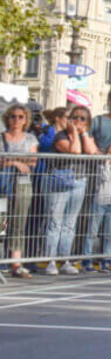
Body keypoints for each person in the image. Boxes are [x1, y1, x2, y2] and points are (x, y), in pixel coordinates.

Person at [43, 105, 99, 275]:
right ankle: (51, 261)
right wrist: (74, 132)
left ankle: (65, 260)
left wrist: (83, 133)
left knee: (70, 224)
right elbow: (74, 151)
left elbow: (91, 151)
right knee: (55, 223)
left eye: (83, 119)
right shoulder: (60, 136)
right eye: (75, 117)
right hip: (60, 181)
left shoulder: (86, 136)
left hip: (79, 181)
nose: (78, 121)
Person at [2, 103, 39, 278]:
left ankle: (16, 263)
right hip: (3, 183)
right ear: (7, 118)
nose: (16, 120)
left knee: (18, 223)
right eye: (13, 116)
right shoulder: (2, 137)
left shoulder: (30, 139)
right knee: (2, 223)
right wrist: (16, 162)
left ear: (26, 120)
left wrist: (9, 160)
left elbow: (32, 162)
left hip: (23, 184)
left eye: (20, 116)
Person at [82, 144, 111, 272]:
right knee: (93, 231)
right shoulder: (101, 166)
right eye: (109, 152)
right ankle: (87, 259)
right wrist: (107, 164)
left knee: (109, 233)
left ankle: (106, 260)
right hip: (100, 201)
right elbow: (105, 177)